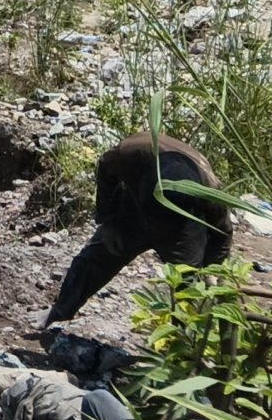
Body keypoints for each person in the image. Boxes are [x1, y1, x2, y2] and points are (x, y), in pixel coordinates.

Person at [46, 132, 231, 326]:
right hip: (137, 209)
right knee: (98, 254)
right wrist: (107, 221)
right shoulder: (130, 153)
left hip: (182, 226)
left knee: (187, 285)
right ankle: (59, 311)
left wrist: (212, 269)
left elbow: (223, 233)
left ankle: (183, 344)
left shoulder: (208, 188)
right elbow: (105, 169)